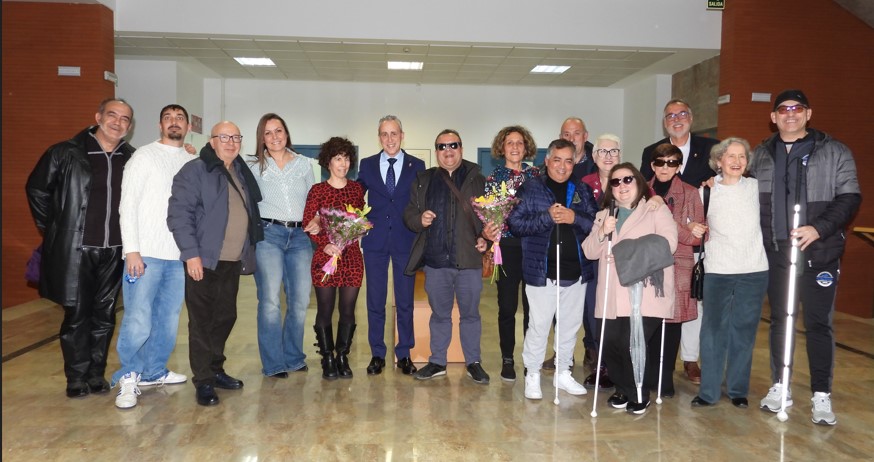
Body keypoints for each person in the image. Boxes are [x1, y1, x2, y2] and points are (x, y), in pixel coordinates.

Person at [750, 90, 861, 426]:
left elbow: (849, 197)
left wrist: (819, 228)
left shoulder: (835, 151)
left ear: (808, 114)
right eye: (783, 109)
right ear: (773, 117)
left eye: (797, 108)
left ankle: (821, 394)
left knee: (818, 323)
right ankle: (780, 385)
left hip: (819, 253)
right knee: (780, 321)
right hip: (777, 252)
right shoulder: (760, 155)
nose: (790, 114)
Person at [26, 98, 136, 398]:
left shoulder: (131, 157)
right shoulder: (66, 152)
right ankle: (76, 378)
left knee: (105, 315)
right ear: (98, 117)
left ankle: (96, 375)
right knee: (76, 315)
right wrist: (55, 228)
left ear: (130, 126)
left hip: (114, 250)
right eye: (112, 115)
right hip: (77, 250)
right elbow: (36, 189)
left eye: (125, 119)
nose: (117, 122)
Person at [167, 121, 263, 406]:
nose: (231, 142)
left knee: (225, 317)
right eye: (224, 137)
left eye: (236, 137)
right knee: (202, 322)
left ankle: (216, 368)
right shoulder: (195, 171)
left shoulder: (239, 172)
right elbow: (179, 215)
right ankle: (204, 380)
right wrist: (191, 254)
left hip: (232, 260)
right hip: (205, 260)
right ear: (211, 141)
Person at [111, 104, 192, 409]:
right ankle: (128, 377)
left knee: (168, 320)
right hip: (145, 255)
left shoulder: (191, 160)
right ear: (160, 125)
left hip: (178, 257)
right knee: (138, 319)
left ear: (187, 127)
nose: (174, 122)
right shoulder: (143, 157)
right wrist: (131, 250)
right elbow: (127, 205)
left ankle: (155, 371)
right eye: (168, 118)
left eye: (180, 118)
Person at [582, 163, 677, 415]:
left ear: (638, 182)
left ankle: (638, 393)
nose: (622, 186)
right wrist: (602, 232)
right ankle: (622, 389)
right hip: (611, 294)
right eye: (615, 182)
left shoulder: (655, 209)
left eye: (627, 180)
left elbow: (669, 243)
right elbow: (589, 251)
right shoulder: (604, 215)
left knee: (631, 342)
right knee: (609, 342)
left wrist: (624, 253)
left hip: (644, 292)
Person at [507, 139, 597, 400]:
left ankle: (563, 372)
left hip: (576, 272)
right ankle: (533, 374)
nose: (562, 166)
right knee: (539, 326)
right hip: (542, 272)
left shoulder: (581, 189)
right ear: (547, 161)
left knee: (569, 327)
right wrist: (547, 216)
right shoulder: (531, 188)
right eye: (557, 160)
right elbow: (516, 224)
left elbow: (595, 223)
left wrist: (574, 218)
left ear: (574, 163)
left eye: (568, 161)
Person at [403, 129, 494, 384]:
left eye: (453, 145)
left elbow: (491, 218)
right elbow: (409, 214)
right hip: (436, 262)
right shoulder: (424, 180)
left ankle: (473, 362)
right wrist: (419, 219)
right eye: (442, 147)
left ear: (461, 148)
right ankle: (437, 362)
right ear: (437, 152)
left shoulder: (479, 180)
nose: (448, 150)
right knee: (439, 315)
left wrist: (485, 239)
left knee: (471, 315)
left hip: (469, 261)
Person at [640, 99, 719, 384]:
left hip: (691, 247)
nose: (676, 119)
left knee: (688, 306)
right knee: (655, 311)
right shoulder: (651, 152)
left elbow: (729, 178)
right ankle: (653, 370)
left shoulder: (711, 148)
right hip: (655, 251)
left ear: (691, 117)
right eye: (670, 115)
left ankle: (689, 359)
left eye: (682, 114)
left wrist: (716, 183)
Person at [690, 138, 768, 409]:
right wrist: (692, 227)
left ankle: (738, 390)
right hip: (718, 270)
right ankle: (708, 392)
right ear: (718, 161)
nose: (736, 161)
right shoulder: (706, 192)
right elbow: (689, 221)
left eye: (741, 156)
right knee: (712, 331)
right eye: (730, 156)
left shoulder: (756, 187)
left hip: (754, 270)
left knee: (744, 331)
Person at [248, 113, 316, 379]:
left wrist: (317, 220)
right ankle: (274, 363)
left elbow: (314, 201)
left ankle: (294, 357)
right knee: (270, 301)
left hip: (300, 237)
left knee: (300, 301)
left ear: (286, 133)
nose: (274, 137)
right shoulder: (253, 166)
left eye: (278, 131)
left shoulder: (304, 164)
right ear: (261, 138)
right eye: (268, 132)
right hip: (269, 235)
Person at [357, 115, 426, 376]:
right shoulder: (367, 165)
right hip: (374, 242)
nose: (389, 139)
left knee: (405, 300)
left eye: (393, 133)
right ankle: (377, 353)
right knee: (375, 300)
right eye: (384, 134)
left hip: (405, 240)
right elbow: (355, 197)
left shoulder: (417, 165)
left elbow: (422, 201)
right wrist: (354, 221)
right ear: (379, 138)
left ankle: (404, 353)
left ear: (402, 135)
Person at [643, 143, 706, 400]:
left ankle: (664, 377)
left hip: (678, 265)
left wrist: (666, 216)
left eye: (671, 163)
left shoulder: (690, 193)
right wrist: (683, 227)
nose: (665, 167)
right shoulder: (640, 191)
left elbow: (698, 237)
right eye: (660, 162)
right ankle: (647, 375)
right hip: (647, 264)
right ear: (652, 165)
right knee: (648, 322)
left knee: (671, 325)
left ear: (679, 167)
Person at [303, 137, 365, 380]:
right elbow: (309, 223)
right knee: (325, 309)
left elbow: (359, 219)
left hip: (351, 256)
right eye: (338, 158)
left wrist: (361, 228)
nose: (343, 164)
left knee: (348, 309)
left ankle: (343, 356)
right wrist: (325, 244)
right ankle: (327, 357)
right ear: (328, 162)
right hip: (325, 257)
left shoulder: (356, 189)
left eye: (347, 158)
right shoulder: (317, 191)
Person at [484, 125, 541, 382]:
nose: (515, 147)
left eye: (520, 142)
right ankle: (507, 358)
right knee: (507, 307)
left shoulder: (536, 175)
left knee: (533, 308)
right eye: (510, 143)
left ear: (526, 147)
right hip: (507, 248)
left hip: (533, 247)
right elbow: (488, 213)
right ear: (502, 147)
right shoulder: (495, 177)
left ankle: (531, 359)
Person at [578, 133, 624, 389]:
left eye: (613, 151)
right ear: (594, 156)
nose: (608, 156)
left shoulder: (629, 180)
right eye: (603, 151)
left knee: (619, 313)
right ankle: (601, 364)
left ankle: (620, 364)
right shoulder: (584, 183)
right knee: (594, 311)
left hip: (621, 259)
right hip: (593, 256)